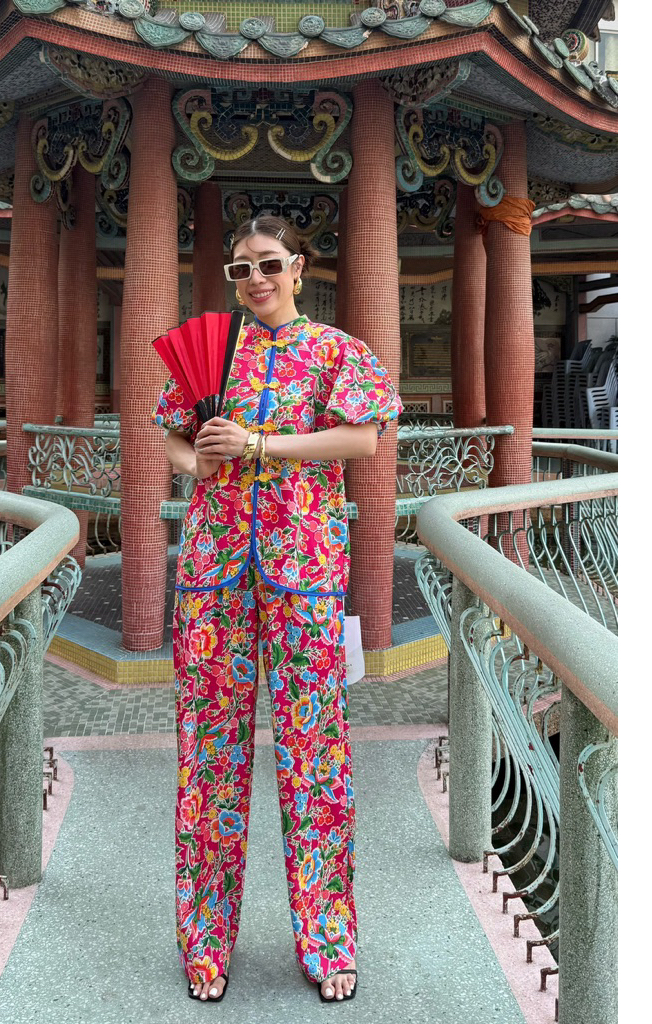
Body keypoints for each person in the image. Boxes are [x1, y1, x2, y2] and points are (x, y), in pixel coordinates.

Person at [153, 214, 402, 1004]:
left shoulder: (335, 351)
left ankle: (328, 942)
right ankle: (204, 945)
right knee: (208, 758)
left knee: (315, 756)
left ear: (298, 267)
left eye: (267, 263)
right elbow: (172, 437)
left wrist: (260, 445)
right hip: (214, 571)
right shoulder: (211, 353)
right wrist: (201, 461)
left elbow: (362, 441)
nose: (255, 279)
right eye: (240, 268)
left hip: (306, 570)